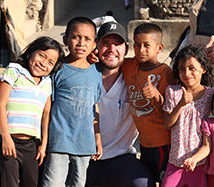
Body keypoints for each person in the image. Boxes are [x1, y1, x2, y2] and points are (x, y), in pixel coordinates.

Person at [85, 21, 156, 187]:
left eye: (117, 44)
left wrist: (204, 59)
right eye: (106, 43)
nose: (112, 49)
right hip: (82, 158)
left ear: (127, 49)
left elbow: (180, 74)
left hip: (120, 159)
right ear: (96, 46)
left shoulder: (136, 78)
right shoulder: (83, 75)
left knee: (144, 184)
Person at [0, 36, 64, 187]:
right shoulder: (14, 71)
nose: (43, 63)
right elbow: (1, 105)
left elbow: (46, 115)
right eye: (41, 55)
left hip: (31, 146)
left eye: (50, 62)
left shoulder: (47, 83)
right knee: (9, 184)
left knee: (31, 183)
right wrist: (6, 138)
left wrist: (43, 144)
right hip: (9, 142)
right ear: (31, 52)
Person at [42, 17, 102, 187]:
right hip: (59, 141)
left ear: (94, 44)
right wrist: (45, 140)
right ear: (65, 40)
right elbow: (46, 107)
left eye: (87, 39)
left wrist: (97, 137)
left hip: (85, 144)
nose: (81, 43)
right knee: (52, 183)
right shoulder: (57, 69)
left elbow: (94, 106)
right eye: (76, 37)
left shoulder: (97, 71)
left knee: (79, 184)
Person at [120, 23, 176, 184]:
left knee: (165, 182)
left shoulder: (165, 73)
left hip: (163, 143)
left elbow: (169, 112)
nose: (141, 50)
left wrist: (156, 95)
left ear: (159, 48)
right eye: (137, 45)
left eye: (146, 45)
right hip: (144, 143)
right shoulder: (130, 65)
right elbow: (110, 64)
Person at [162, 44, 214, 187]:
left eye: (192, 68)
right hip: (175, 161)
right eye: (182, 69)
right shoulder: (173, 92)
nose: (187, 73)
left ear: (203, 69)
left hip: (199, 162)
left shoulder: (210, 94)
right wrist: (181, 104)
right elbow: (167, 124)